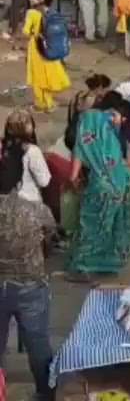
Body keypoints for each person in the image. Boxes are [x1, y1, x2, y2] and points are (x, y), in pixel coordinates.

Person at [0, 142, 57, 401]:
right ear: (18, 181)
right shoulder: (36, 211)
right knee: (38, 345)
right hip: (31, 283)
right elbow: (51, 235)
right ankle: (45, 392)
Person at [67, 108, 130, 276]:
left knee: (93, 227)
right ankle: (111, 263)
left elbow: (73, 177)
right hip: (123, 186)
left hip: (100, 190)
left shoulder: (83, 143)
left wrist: (78, 187)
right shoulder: (112, 139)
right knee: (115, 226)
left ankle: (86, 265)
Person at [24, 0, 69, 112]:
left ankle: (40, 103)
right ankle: (49, 103)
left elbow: (26, 32)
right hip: (48, 45)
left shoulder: (31, 13)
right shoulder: (49, 11)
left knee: (37, 76)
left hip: (35, 46)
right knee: (47, 75)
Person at [3, 110, 48, 204]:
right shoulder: (32, 151)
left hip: (5, 201)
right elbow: (44, 181)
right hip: (28, 202)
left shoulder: (3, 146)